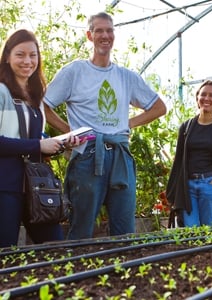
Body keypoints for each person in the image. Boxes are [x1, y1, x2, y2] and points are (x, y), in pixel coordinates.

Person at [44, 12, 167, 240]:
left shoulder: (125, 76)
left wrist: (128, 123)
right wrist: (68, 132)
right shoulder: (75, 72)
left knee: (124, 227)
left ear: (114, 35)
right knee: (82, 226)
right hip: (88, 155)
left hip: (120, 155)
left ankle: (125, 273)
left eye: (109, 30)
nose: (105, 35)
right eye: (99, 30)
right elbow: (44, 105)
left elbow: (159, 107)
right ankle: (78, 273)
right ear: (89, 36)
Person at [0, 29, 70, 247]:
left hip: (36, 188)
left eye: (33, 55)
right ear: (8, 57)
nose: (27, 61)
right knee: (6, 256)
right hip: (6, 187)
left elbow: (35, 139)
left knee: (55, 249)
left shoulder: (36, 95)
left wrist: (60, 144)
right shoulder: (2, 92)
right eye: (20, 54)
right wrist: (39, 144)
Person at [166, 80, 212, 227]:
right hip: (188, 188)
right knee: (190, 231)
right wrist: (173, 192)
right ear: (197, 98)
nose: (207, 98)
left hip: (211, 185)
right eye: (203, 94)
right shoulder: (186, 128)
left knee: (210, 233)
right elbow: (178, 162)